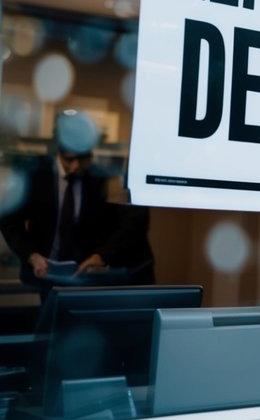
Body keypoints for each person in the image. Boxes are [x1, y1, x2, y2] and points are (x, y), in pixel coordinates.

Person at [0, 110, 154, 293]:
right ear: (59, 151)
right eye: (69, 159)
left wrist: (100, 256)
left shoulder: (100, 177)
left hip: (86, 277)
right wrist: (31, 255)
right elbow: (10, 222)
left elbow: (132, 221)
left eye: (83, 159)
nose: (75, 166)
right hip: (42, 274)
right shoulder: (35, 173)